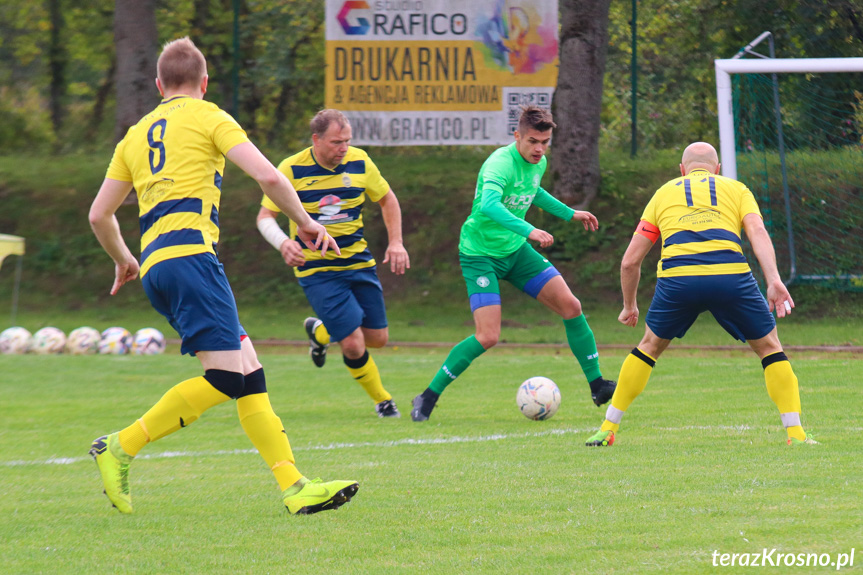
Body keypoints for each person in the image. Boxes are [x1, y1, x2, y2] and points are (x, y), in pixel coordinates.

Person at [88, 37, 360, 516]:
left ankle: (294, 487)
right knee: (224, 378)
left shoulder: (135, 134)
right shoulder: (208, 115)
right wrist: (305, 221)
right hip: (192, 259)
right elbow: (271, 178)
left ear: (158, 85)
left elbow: (99, 215)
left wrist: (123, 259)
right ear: (204, 82)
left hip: (156, 265)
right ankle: (121, 446)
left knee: (249, 374)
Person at [585, 142, 817, 447]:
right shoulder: (737, 189)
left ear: (682, 170)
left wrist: (630, 305)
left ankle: (607, 428)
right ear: (717, 169)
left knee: (649, 346)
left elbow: (630, 261)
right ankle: (796, 434)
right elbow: (758, 232)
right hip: (730, 276)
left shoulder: (664, 193)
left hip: (679, 279)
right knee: (770, 348)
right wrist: (773, 280)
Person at [410, 105, 616, 422]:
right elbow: (490, 205)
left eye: (545, 142)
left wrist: (570, 213)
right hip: (480, 256)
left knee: (571, 306)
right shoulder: (499, 164)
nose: (539, 149)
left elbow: (533, 191)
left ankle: (598, 385)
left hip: (515, 252)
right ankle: (428, 396)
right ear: (517, 136)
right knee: (488, 336)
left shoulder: (538, 162)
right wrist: (529, 230)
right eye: (533, 141)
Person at [256, 109, 409, 418]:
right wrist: (283, 242)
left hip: (358, 261)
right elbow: (265, 217)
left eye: (347, 141)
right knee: (353, 343)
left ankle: (322, 333)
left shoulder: (360, 161)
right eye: (337, 142)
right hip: (317, 268)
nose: (343, 148)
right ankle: (383, 401)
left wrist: (396, 242)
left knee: (377, 339)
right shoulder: (290, 169)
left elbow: (387, 198)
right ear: (316, 139)